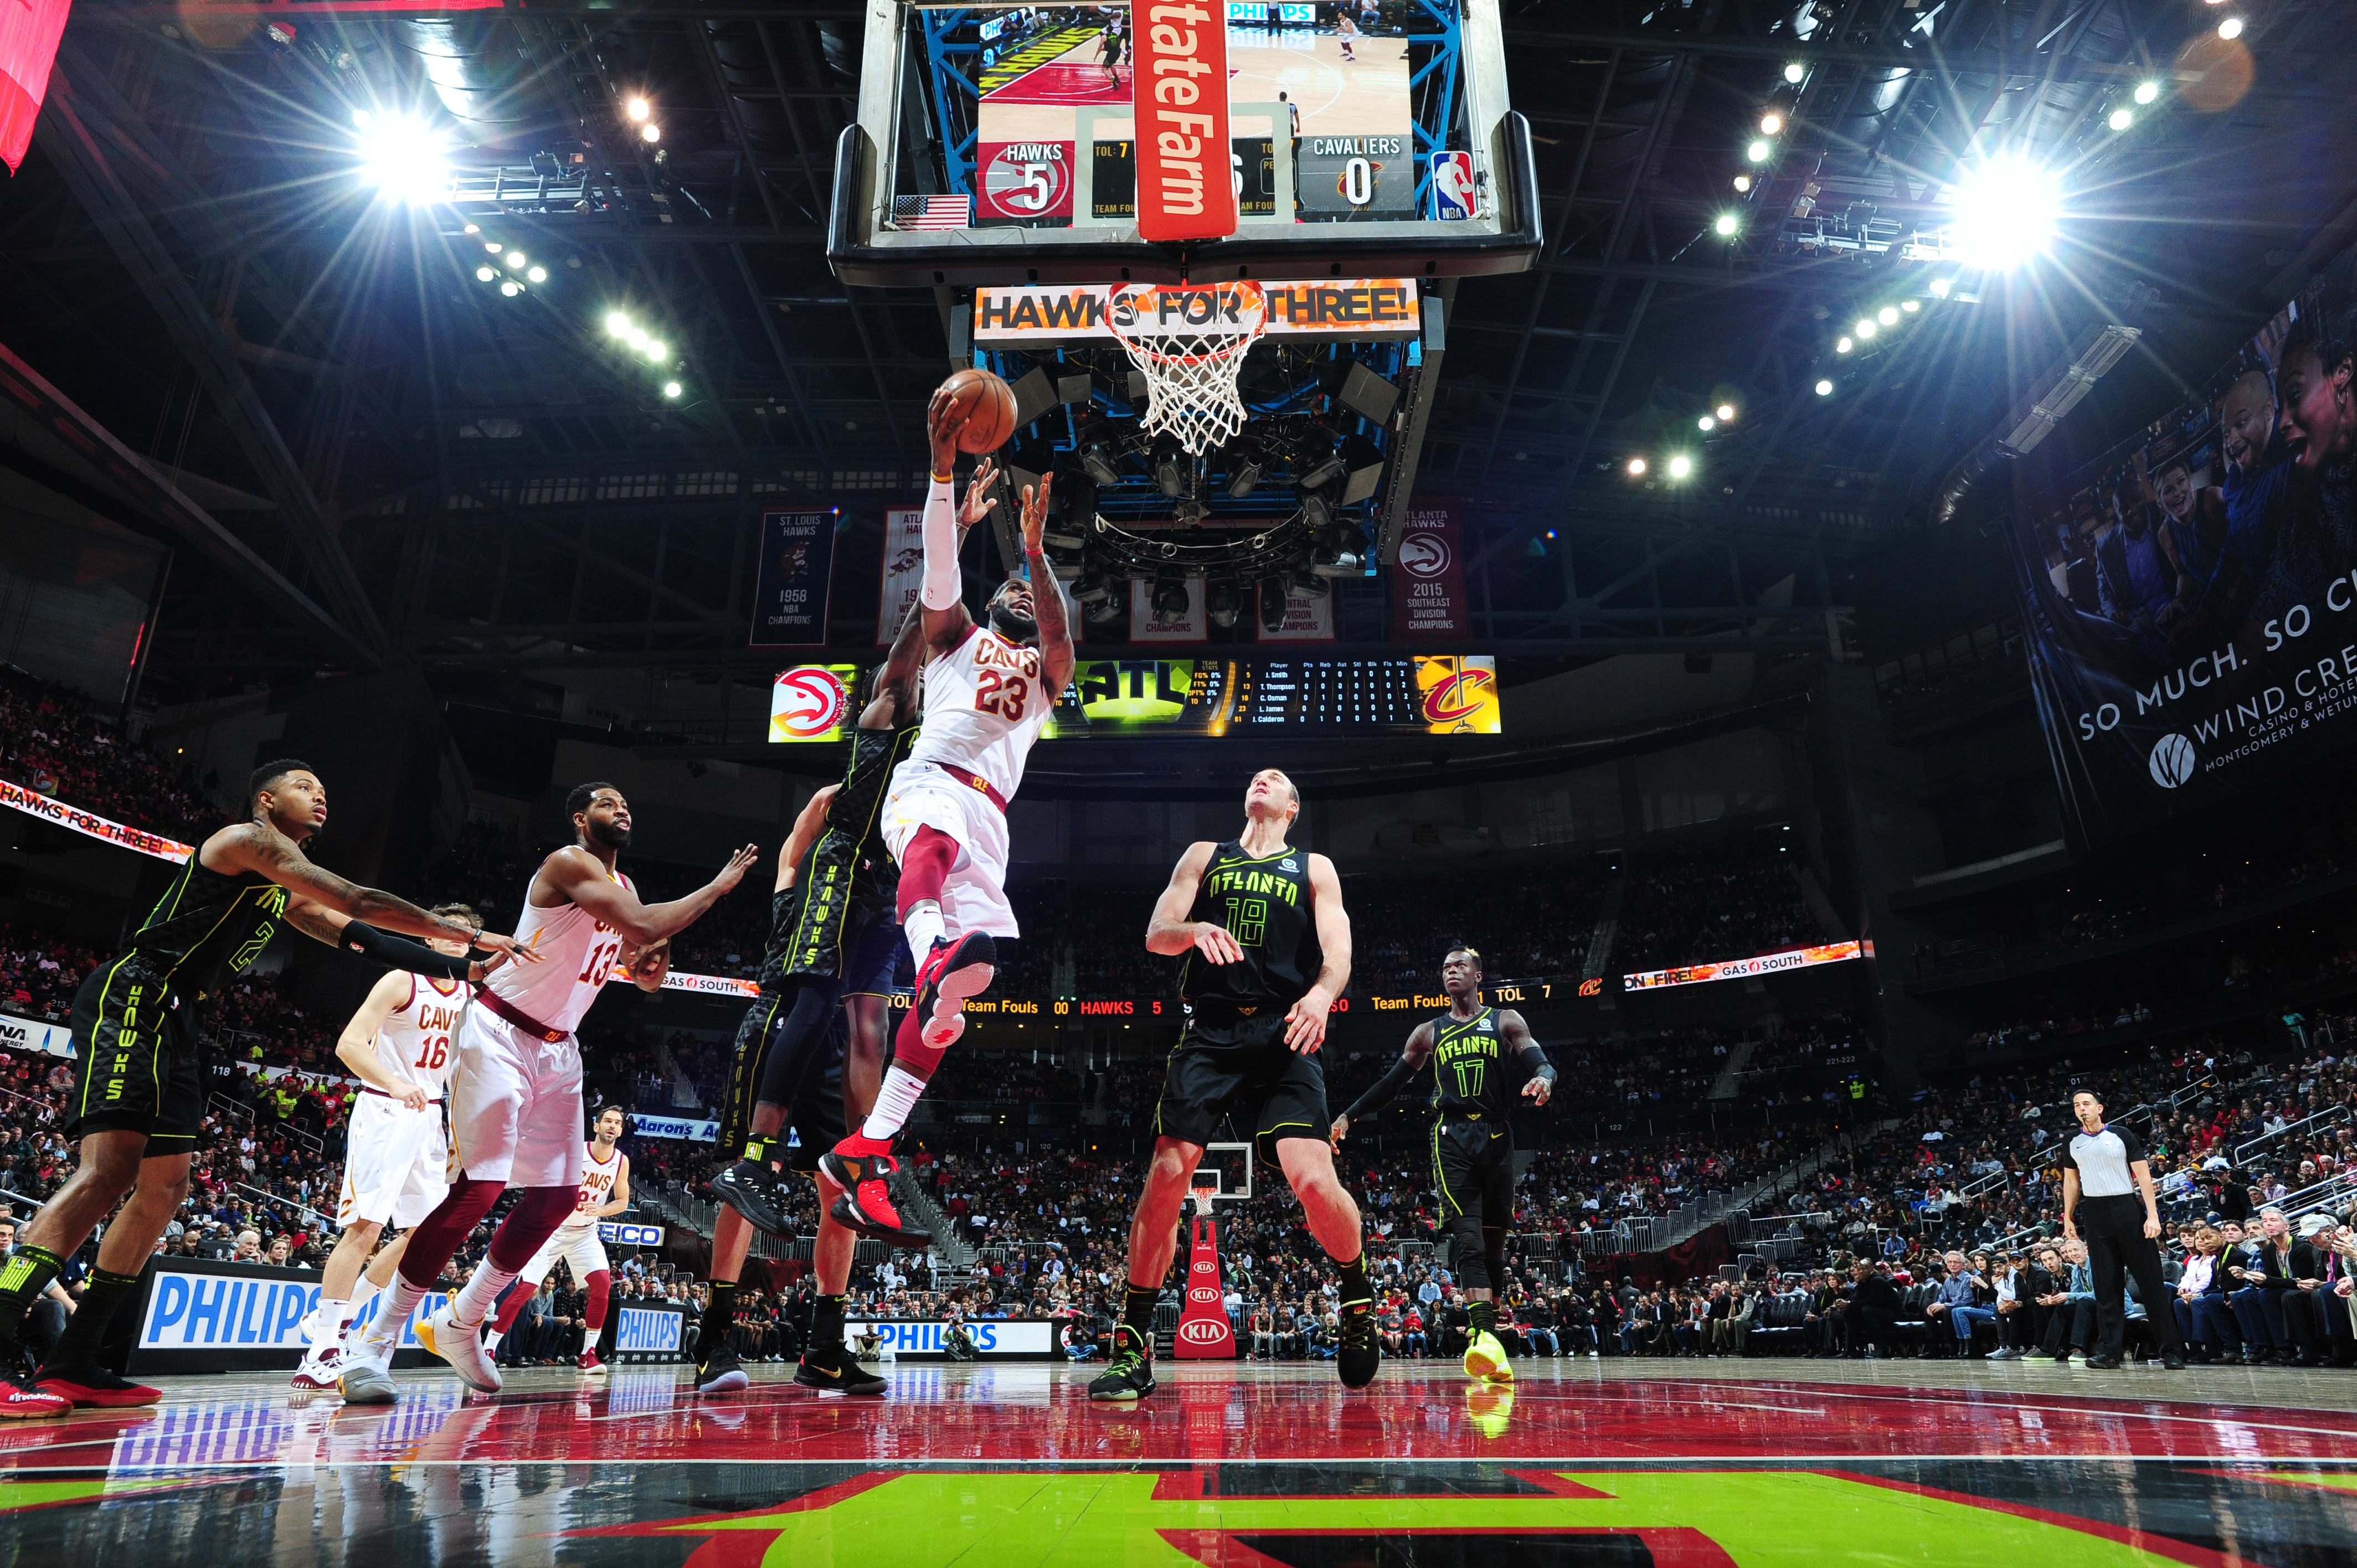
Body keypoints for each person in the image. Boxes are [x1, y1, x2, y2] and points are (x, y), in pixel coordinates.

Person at [0, 760, 529, 1417]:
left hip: (182, 1018)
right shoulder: (243, 841)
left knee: (165, 1190)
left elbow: (360, 936)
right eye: (307, 786)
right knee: (107, 1172)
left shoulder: (283, 892)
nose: (321, 796)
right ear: (266, 799)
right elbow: (360, 901)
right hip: (137, 992)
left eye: (325, 788)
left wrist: (463, 968)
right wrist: (466, 932)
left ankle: (75, 1359)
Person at [698, 473, 994, 1398]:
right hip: (788, 1005)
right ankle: (715, 1335)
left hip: (847, 1017)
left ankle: (824, 1341)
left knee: (838, 1185)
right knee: (748, 1179)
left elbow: (877, 1015)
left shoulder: (908, 825)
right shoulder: (850, 786)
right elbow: (911, 655)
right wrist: (956, 546)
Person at [339, 787, 758, 1404]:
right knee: (479, 1189)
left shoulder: (628, 886)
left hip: (559, 1049)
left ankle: (462, 1322)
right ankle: (372, 1343)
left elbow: (644, 970)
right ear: (580, 819)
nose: (623, 808)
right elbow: (642, 926)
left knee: (557, 1197)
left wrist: (648, 965)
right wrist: (717, 888)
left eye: (626, 803)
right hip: (500, 1030)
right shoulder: (566, 863)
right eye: (608, 802)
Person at [822, 392, 1073, 1243]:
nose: (1016, 591)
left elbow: (1061, 629)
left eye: (1025, 589)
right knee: (932, 861)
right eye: (1007, 580)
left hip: (993, 818)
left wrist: (1035, 552)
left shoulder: (1045, 679)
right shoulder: (957, 638)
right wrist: (939, 479)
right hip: (932, 781)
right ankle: (928, 957)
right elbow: (937, 576)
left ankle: (870, 1145)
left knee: (962, 1001)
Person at [1089, 768, 1376, 1401]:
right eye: (1255, 777)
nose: (1262, 779)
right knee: (1166, 1176)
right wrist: (1193, 930)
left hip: (1284, 1033)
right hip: (1210, 1033)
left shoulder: (1313, 866)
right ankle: (1132, 1349)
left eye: (1276, 780)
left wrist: (1324, 996)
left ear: (1292, 807)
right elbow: (1156, 935)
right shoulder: (1203, 855)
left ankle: (1356, 1292)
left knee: (1311, 1178)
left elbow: (1339, 949)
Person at [1331, 945, 1555, 1384]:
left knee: (1494, 1244)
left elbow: (1538, 1057)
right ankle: (1486, 1337)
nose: (1451, 972)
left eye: (1460, 966)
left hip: (1497, 1133)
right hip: (1451, 1137)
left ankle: (1488, 1342)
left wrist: (1545, 1076)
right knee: (1468, 1238)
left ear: (1478, 975)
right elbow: (1392, 1083)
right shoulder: (1428, 1032)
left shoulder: (1505, 1020)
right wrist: (1348, 1115)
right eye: (1446, 967)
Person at [294, 907, 480, 1390]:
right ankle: (320, 1354)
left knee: (423, 1233)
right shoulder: (402, 980)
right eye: (449, 932)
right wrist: (395, 1083)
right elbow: (350, 1045)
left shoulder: (472, 994)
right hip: (386, 1108)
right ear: (430, 938)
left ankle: (339, 1316)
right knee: (364, 1228)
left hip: (432, 1116)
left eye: (467, 934)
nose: (459, 940)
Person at [482, 1106, 632, 1375]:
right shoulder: (577, 1153)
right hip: (553, 1229)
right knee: (525, 1291)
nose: (612, 1126)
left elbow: (622, 1200)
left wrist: (602, 1210)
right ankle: (488, 1350)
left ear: (621, 1131)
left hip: (584, 1233)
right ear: (596, 1127)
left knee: (602, 1286)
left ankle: (588, 1355)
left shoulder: (621, 1161)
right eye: (607, 1121)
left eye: (617, 1123)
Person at [2058, 1090, 2184, 1370]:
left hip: (2127, 1208)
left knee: (2151, 1282)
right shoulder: (2072, 1141)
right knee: (2106, 1287)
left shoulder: (2121, 1135)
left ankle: (2171, 1351)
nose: (2082, 1109)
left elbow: (2143, 1176)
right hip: (2094, 1213)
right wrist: (2068, 1218)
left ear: (2100, 1108)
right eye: (2077, 1105)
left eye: (2086, 1104)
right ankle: (2109, 1352)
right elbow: (2071, 1182)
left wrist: (2153, 1215)